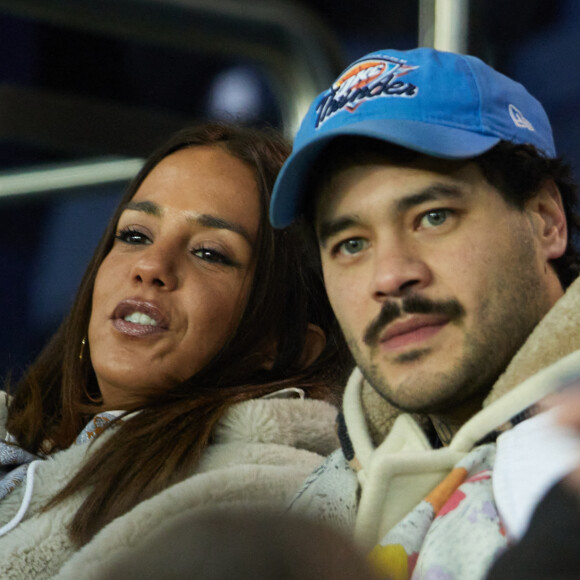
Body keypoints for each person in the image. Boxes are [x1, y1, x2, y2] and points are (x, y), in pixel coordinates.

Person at [269, 47, 580, 579]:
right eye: (350, 244)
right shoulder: (305, 512)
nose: (391, 276)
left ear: (547, 220)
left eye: (433, 217)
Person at [0, 122, 351, 578]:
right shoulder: (21, 436)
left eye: (209, 252)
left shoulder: (262, 500)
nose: (151, 266)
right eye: (134, 236)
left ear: (283, 345)